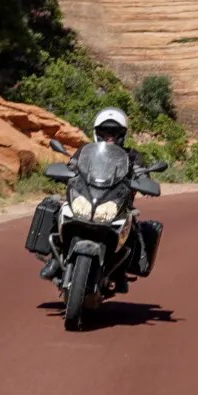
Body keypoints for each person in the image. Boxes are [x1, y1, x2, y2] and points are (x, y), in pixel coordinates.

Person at [38, 107, 141, 283]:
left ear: (122, 134)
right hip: (86, 196)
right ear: (97, 132)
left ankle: (120, 270)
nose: (110, 136)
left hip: (116, 204)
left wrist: (143, 177)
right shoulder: (86, 149)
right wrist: (66, 170)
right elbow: (73, 165)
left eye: (115, 132)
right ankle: (55, 259)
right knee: (59, 209)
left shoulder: (132, 156)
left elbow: (143, 173)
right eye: (105, 131)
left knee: (133, 226)